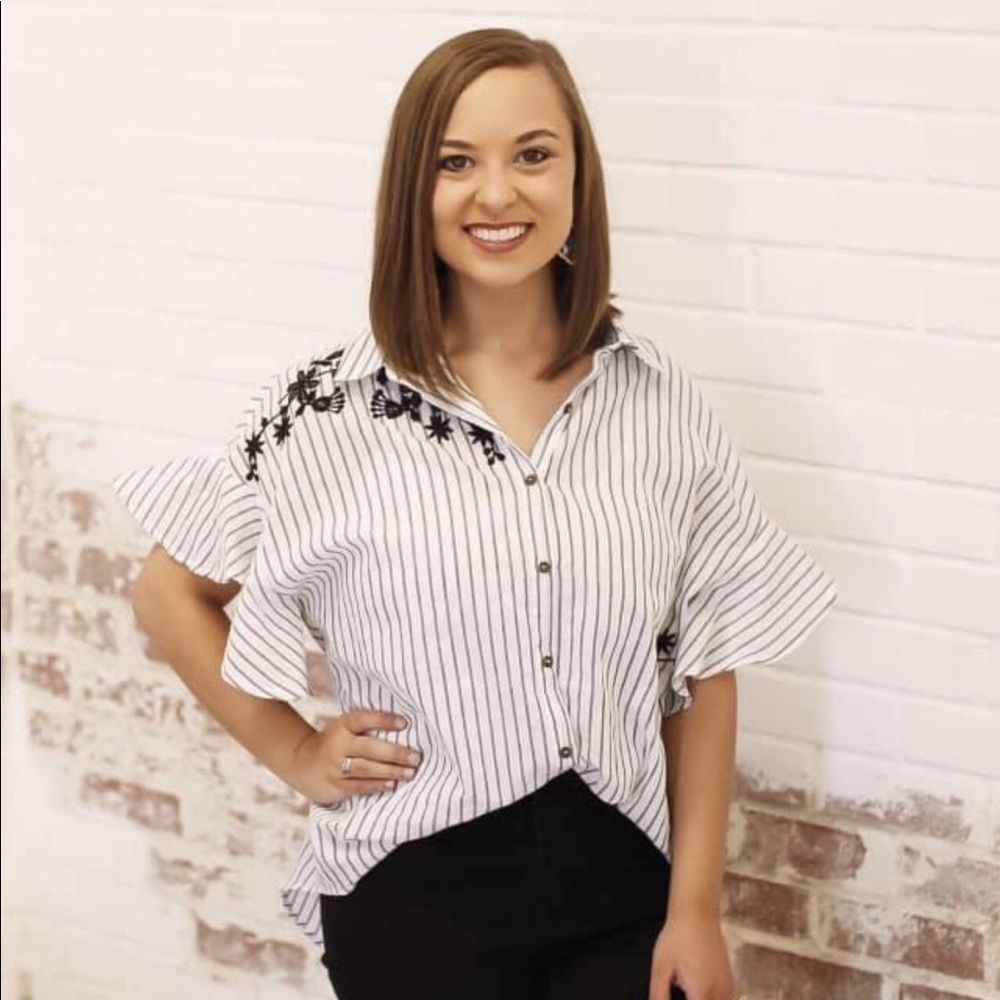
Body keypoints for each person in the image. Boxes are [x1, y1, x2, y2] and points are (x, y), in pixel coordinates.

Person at [115, 27, 835, 1000]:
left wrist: (695, 909)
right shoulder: (325, 411)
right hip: (410, 901)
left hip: (624, 899)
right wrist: (293, 748)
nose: (498, 193)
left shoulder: (660, 405)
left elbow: (701, 671)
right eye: (457, 162)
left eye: (532, 154)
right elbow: (168, 593)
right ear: (415, 189)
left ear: (577, 177)